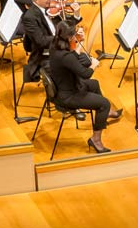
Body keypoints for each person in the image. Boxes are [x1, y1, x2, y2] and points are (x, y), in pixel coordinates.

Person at [49, 20, 122, 154]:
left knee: (94, 84)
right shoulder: (65, 56)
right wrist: (94, 64)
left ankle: (108, 113)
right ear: (70, 37)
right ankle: (96, 140)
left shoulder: (55, 45)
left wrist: (77, 45)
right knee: (104, 103)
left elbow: (72, 59)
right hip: (68, 95)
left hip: (65, 86)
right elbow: (85, 73)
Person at [20, 0, 59, 82]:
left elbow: (63, 25)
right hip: (43, 56)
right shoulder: (30, 17)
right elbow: (41, 41)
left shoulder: (49, 9)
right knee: (72, 65)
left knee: (80, 60)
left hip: (56, 47)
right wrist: (60, 38)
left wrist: (76, 15)